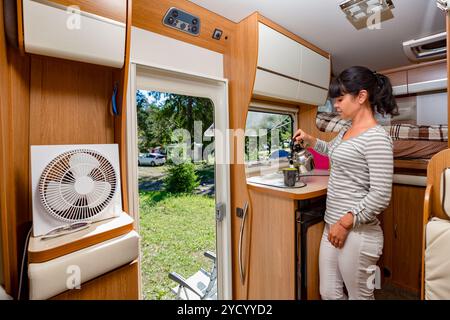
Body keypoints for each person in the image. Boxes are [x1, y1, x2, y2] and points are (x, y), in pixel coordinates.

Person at [293, 66, 398, 300]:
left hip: (356, 231)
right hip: (333, 225)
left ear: (361, 97)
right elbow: (333, 151)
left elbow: (381, 194)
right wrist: (311, 141)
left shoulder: (377, 138)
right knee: (328, 293)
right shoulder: (347, 131)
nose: (335, 106)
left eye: (340, 99)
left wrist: (345, 222)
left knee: (359, 296)